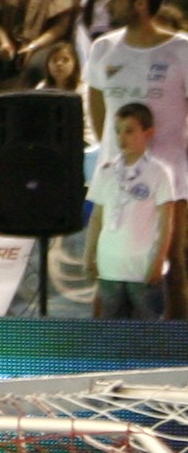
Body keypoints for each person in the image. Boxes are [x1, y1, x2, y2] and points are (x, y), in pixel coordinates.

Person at [83, 0, 188, 317]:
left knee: (173, 257)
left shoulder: (181, 50)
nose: (109, 3)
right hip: (116, 175)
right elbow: (96, 99)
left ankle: (176, 349)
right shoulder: (104, 48)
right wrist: (113, 149)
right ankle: (102, 350)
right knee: (108, 259)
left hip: (170, 175)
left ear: (141, 3)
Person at [89, 103, 175, 319]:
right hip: (110, 267)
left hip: (142, 267)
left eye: (129, 131)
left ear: (148, 133)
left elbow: (166, 223)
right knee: (110, 333)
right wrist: (89, 253)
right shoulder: (105, 171)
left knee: (148, 333)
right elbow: (97, 217)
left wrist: (158, 261)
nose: (121, 137)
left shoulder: (159, 173)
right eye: (117, 131)